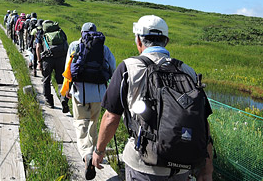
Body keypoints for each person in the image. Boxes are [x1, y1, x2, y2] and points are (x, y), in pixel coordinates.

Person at [92, 15, 214, 181]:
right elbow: (202, 122)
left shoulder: (128, 68)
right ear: (166, 41)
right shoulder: (188, 71)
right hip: (182, 167)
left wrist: (99, 151)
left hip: (142, 166)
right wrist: (207, 170)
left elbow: (111, 117)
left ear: (139, 41)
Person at [62, 22, 116, 180]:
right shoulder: (103, 47)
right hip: (99, 93)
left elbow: (68, 68)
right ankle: (92, 150)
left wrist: (67, 90)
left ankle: (87, 154)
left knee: (80, 122)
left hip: (80, 91)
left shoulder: (75, 45)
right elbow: (112, 67)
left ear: (81, 32)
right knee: (93, 122)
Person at [37, 20, 69, 109]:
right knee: (60, 80)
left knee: (46, 80)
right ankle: (63, 99)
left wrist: (39, 61)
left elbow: (38, 47)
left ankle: (49, 101)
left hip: (47, 59)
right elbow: (66, 44)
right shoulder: (60, 31)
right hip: (61, 58)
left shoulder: (41, 32)